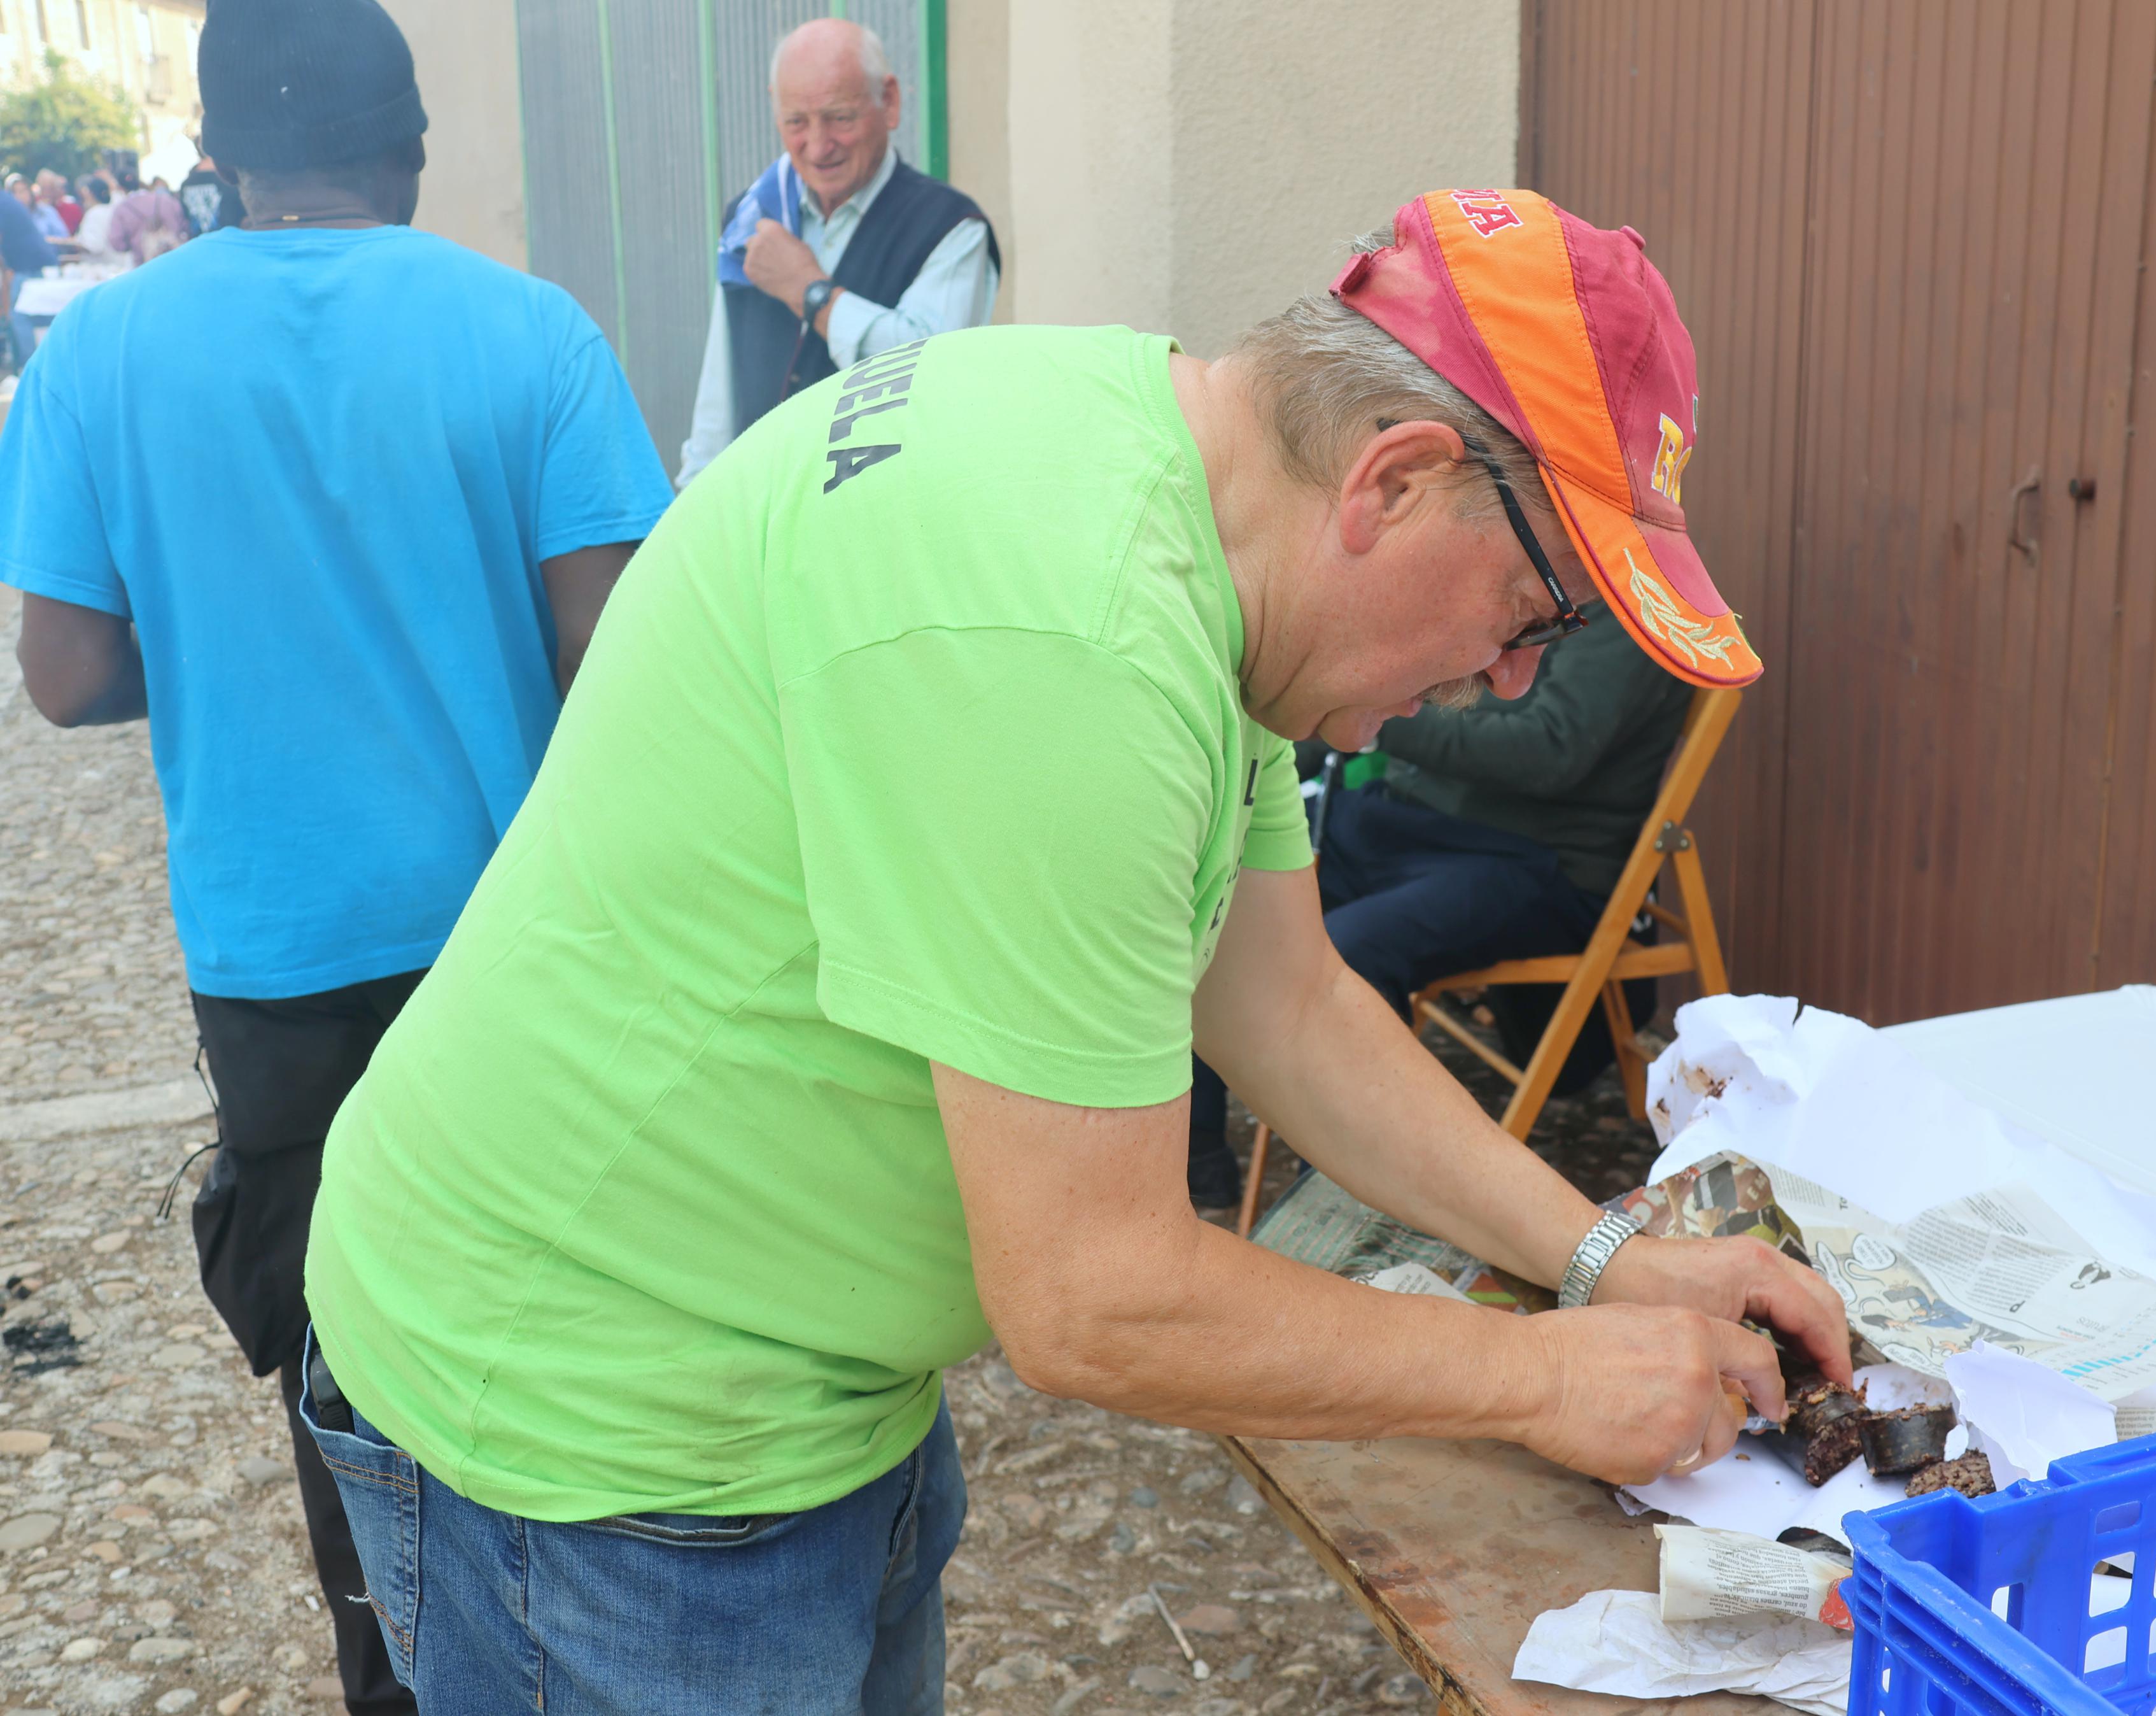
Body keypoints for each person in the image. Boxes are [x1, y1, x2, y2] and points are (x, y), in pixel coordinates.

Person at [297, 186, 1807, 1714]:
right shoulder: (1071, 645)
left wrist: (1604, 1262)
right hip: (596, 1434)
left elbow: (1286, 1004)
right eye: (1531, 610)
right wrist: (1543, 1378)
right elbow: (1095, 1297)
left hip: (794, 1384)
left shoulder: (1156, 469)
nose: (1509, 678)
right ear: (1396, 481)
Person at [0, 1, 672, 1710]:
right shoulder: (529, 333)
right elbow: (627, 652)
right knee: (558, 1306)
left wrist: (232, 636)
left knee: (340, 1334)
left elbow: (67, 673)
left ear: (219, 154)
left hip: (275, 953)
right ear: (415, 148)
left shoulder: (99, 352)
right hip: (517, 944)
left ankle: (399, 1663)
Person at [1184, 600, 1691, 1204]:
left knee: (1350, 950)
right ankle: (1192, 1161)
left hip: (1532, 863)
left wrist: (1372, 706)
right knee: (1213, 886)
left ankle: (1336, 1218)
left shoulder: (1632, 616)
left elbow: (1549, 751)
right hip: (1412, 823)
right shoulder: (1527, 585)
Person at [672, 17, 997, 488]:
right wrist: (692, 498)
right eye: (796, 122)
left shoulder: (953, 227)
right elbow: (719, 396)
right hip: (770, 516)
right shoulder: (754, 215)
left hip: (886, 522)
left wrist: (812, 292)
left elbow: (930, 378)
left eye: (839, 117)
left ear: (889, 101)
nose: (819, 146)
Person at [1, 175, 57, 369]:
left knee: (20, 315)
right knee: (31, 314)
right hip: (32, 263)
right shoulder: (5, 200)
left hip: (28, 266)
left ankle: (31, 367)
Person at [106, 173, 188, 262]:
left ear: (121, 188)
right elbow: (185, 227)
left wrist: (135, 244)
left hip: (144, 265)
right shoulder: (167, 200)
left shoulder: (121, 210)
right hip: (175, 258)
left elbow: (117, 243)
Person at [180, 150, 243, 235]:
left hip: (199, 242)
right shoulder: (228, 180)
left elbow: (186, 215)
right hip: (229, 240)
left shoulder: (185, 184)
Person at [72, 173, 117, 255]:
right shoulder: (113, 210)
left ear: (90, 194)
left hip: (99, 266)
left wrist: (71, 245)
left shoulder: (94, 213)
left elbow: (94, 245)